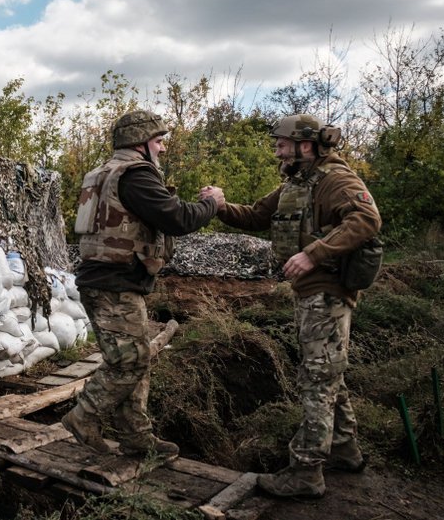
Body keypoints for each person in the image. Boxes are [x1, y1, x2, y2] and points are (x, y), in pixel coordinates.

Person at [204, 114, 381, 498]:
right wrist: (218, 206)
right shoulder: (295, 183)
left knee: (316, 379)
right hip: (310, 293)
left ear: (307, 145)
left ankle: (305, 473)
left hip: (327, 293)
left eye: (282, 143)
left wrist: (313, 254)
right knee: (328, 374)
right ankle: (344, 450)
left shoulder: (335, 179)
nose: (277, 150)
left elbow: (367, 218)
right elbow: (255, 215)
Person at [63, 109, 225, 459]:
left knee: (134, 359)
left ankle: (137, 438)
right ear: (140, 143)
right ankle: (83, 417)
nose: (163, 149)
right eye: (159, 141)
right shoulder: (135, 175)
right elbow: (178, 218)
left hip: (109, 279)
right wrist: (211, 204)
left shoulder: (105, 172)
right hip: (114, 283)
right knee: (131, 361)